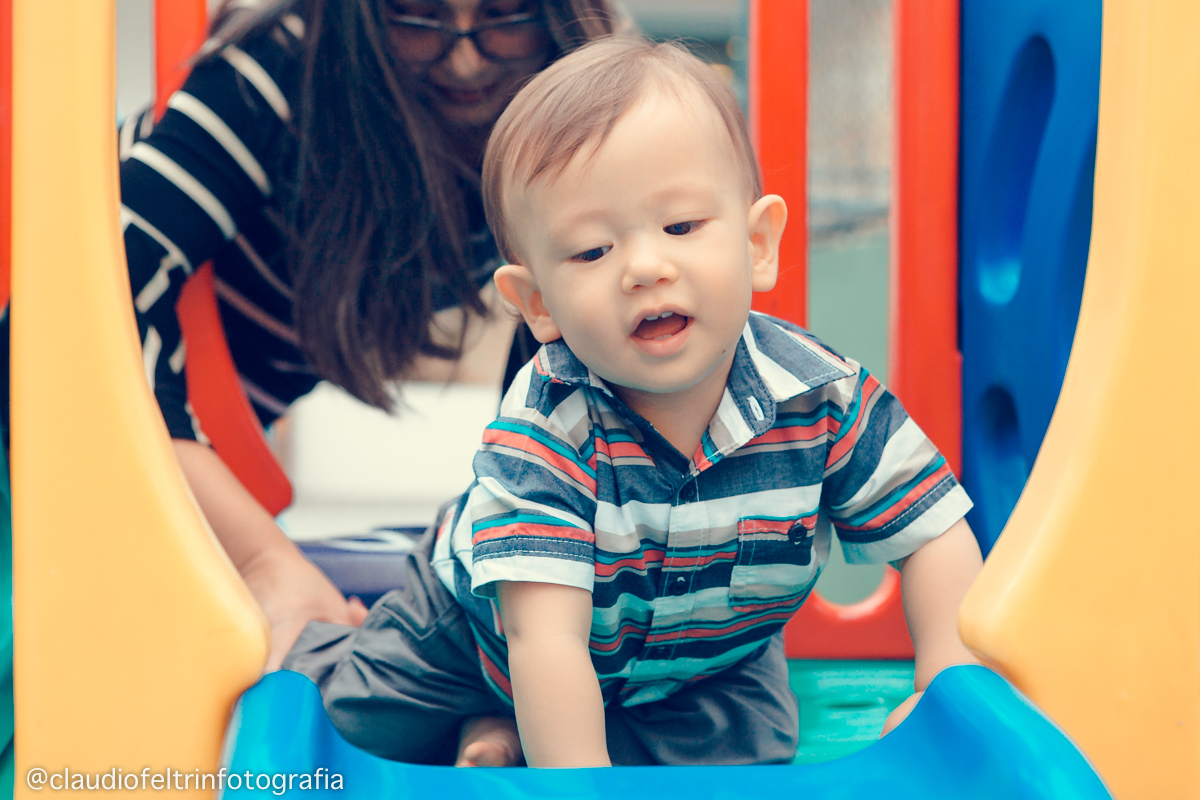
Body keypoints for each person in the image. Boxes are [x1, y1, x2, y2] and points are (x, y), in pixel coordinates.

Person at [284, 36, 984, 767]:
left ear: (758, 245)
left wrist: (946, 683)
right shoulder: (549, 429)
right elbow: (543, 640)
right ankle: (348, 651)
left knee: (746, 758)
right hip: (474, 635)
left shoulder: (821, 397)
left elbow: (934, 534)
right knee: (349, 727)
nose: (646, 268)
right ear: (537, 305)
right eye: (592, 251)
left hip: (706, 667)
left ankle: (509, 735)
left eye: (681, 227)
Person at [109, 0, 621, 672]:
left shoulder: (579, 106)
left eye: (503, 16)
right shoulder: (278, 72)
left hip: (181, 441)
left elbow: (556, 358)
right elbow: (73, 305)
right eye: (417, 18)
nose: (465, 57)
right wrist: (264, 561)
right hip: (79, 405)